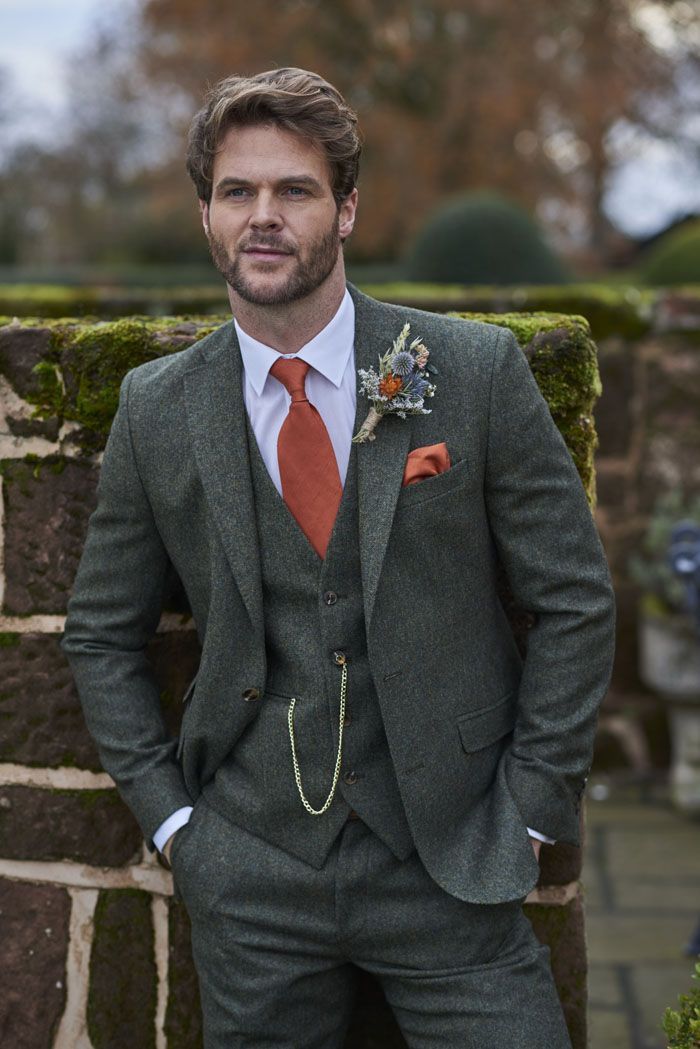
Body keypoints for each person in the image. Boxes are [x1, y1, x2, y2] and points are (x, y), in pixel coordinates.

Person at [61, 66, 616, 1048]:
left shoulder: (471, 372)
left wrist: (529, 808)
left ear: (346, 207)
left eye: (295, 189)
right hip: (249, 866)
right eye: (238, 191)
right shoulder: (157, 407)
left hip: (448, 856)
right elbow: (103, 634)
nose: (263, 215)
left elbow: (573, 601)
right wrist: (179, 829)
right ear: (206, 216)